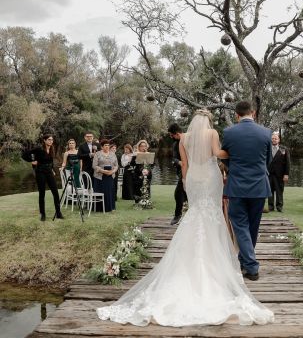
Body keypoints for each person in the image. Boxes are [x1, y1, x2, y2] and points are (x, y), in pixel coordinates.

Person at [97, 108, 274, 326]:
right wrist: (238, 153)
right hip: (211, 177)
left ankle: (193, 261)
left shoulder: (184, 139)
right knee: (215, 216)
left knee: (196, 214)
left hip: (193, 179)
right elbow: (219, 154)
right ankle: (227, 263)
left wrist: (186, 183)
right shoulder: (212, 134)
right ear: (207, 121)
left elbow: (185, 165)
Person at [221, 100, 272, 281]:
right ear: (253, 113)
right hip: (259, 185)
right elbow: (268, 160)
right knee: (252, 226)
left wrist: (233, 168)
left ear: (236, 115)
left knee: (240, 225)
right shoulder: (266, 133)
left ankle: (250, 266)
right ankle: (246, 261)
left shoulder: (228, 132)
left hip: (237, 185)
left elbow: (225, 158)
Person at [21, 134, 64, 221]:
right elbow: (24, 155)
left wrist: (52, 169)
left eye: (52, 140)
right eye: (49, 139)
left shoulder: (52, 149)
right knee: (42, 194)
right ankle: (43, 214)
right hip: (40, 172)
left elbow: (51, 161)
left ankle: (58, 213)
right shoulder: (38, 149)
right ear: (44, 140)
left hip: (49, 172)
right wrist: (32, 160)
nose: (51, 141)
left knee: (55, 192)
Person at [168, 123, 188, 225]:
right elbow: (174, 158)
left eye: (171, 135)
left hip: (192, 170)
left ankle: (181, 215)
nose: (171, 137)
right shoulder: (175, 144)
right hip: (182, 170)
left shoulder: (188, 139)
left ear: (176, 133)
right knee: (179, 193)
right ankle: (178, 215)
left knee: (181, 192)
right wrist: (178, 162)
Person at [92, 139, 119, 212]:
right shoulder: (97, 154)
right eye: (105, 145)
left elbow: (116, 165)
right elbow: (94, 166)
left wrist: (112, 171)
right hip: (99, 177)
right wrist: (103, 171)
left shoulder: (113, 154)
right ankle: (99, 208)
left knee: (109, 192)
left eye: (108, 145)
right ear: (102, 147)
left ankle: (110, 208)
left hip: (110, 176)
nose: (107, 147)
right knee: (100, 192)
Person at [266, 132, 290, 213]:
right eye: (272, 138)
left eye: (275, 138)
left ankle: (279, 207)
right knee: (270, 190)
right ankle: (270, 206)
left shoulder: (284, 149)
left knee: (279, 190)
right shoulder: (267, 149)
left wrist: (286, 174)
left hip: (280, 174)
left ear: (279, 140)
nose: (274, 140)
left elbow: (287, 162)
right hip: (269, 173)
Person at [131, 140, 154, 204]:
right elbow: (132, 164)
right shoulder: (135, 154)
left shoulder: (149, 154)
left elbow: (152, 164)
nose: (143, 147)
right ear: (139, 147)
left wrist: (148, 170)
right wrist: (135, 158)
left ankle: (146, 201)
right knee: (138, 187)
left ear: (147, 147)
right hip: (138, 174)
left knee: (147, 186)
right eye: (142, 146)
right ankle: (138, 202)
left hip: (147, 173)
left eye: (145, 146)